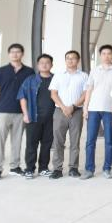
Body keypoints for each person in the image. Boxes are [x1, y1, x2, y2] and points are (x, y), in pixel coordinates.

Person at [0, 43, 35, 180]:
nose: (15, 54)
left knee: (17, 141)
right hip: (3, 111)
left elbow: (31, 93)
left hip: (21, 113)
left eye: (18, 51)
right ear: (9, 54)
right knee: (0, 141)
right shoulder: (1, 71)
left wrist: (29, 112)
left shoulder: (29, 72)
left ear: (22, 54)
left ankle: (15, 167)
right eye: (12, 52)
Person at [82, 44, 112, 180]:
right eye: (104, 53)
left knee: (110, 140)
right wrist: (85, 107)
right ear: (100, 55)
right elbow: (89, 89)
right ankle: (89, 169)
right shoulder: (94, 70)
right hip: (93, 109)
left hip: (110, 109)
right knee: (90, 141)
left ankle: (107, 168)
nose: (106, 56)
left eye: (109, 53)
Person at [48, 50, 89, 179]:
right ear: (65, 60)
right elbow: (53, 94)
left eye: (73, 58)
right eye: (68, 58)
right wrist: (64, 107)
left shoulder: (84, 76)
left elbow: (85, 94)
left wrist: (73, 106)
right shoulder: (58, 75)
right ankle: (57, 169)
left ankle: (73, 168)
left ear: (78, 60)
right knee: (58, 141)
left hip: (77, 112)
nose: (70, 60)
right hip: (60, 111)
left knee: (75, 141)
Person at [18, 54, 54, 179]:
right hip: (33, 117)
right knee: (31, 144)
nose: (44, 65)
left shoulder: (56, 79)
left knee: (47, 144)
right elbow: (22, 97)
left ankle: (43, 168)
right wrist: (25, 114)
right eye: (42, 63)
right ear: (38, 65)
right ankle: (29, 169)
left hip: (51, 118)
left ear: (51, 65)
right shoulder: (30, 80)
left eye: (47, 62)